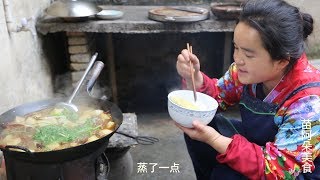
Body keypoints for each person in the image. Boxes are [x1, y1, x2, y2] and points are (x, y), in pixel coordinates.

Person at [175, 0, 320, 179]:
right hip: (261, 146)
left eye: (249, 54)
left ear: (282, 60)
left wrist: (215, 140)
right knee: (197, 123)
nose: (238, 59)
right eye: (236, 48)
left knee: (226, 175)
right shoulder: (246, 71)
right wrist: (195, 78)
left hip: (295, 170)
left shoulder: (309, 104)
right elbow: (218, 96)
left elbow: (280, 168)